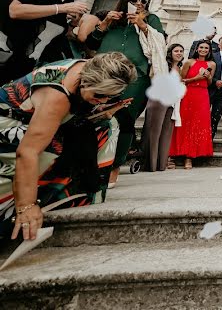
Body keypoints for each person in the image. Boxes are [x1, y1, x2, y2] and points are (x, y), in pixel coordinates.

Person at [2, 52, 137, 240]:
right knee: (52, 149)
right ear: (85, 82)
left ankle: (79, 196)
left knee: (108, 125)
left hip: (42, 120)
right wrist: (27, 205)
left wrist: (102, 109)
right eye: (99, 95)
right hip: (9, 122)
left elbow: (77, 108)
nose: (103, 100)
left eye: (110, 96)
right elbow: (27, 152)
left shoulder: (94, 70)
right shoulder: (57, 96)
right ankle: (18, 205)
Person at [80, 0, 164, 186]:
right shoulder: (112, 20)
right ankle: (89, 164)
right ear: (125, 1)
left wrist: (142, 25)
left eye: (143, 1)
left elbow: (160, 41)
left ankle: (114, 167)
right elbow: (91, 43)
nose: (139, 4)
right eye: (135, 1)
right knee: (93, 117)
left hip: (136, 77)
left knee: (124, 119)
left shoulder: (151, 20)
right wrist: (105, 23)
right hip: (103, 73)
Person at [0, 0, 90, 84]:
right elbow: (15, 11)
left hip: (28, 70)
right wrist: (62, 7)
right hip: (5, 59)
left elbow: (52, 15)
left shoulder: (55, 1)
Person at [169, 41, 214, 169]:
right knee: (185, 123)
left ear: (209, 50)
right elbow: (182, 80)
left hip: (203, 95)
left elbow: (209, 82)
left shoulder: (212, 64)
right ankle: (178, 154)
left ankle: (190, 157)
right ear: (197, 49)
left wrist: (208, 77)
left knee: (198, 124)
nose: (203, 50)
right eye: (201, 47)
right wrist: (197, 78)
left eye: (206, 48)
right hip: (189, 94)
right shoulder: (189, 62)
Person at [144, 43, 182, 172]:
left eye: (181, 51)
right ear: (170, 52)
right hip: (158, 99)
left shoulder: (179, 68)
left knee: (166, 133)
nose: (179, 53)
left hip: (172, 102)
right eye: (176, 51)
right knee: (154, 132)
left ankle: (161, 164)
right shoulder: (164, 65)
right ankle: (150, 164)